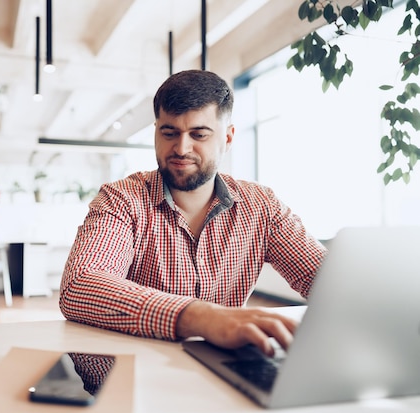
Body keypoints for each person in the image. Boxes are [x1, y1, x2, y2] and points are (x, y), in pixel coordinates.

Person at [59, 70, 327, 357]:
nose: (181, 148)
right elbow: (80, 285)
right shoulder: (122, 199)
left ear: (228, 137)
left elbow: (327, 280)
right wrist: (201, 318)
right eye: (169, 132)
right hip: (135, 372)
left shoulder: (262, 205)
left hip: (228, 370)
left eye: (198, 134)